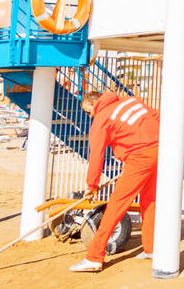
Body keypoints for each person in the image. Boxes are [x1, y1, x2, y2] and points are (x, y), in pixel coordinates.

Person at [69, 90, 160, 273]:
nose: (90, 115)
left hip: (140, 157)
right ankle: (151, 248)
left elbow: (96, 155)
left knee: (116, 205)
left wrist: (92, 185)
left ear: (94, 104)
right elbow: (157, 117)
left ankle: (94, 257)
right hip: (160, 150)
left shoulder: (102, 118)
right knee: (149, 201)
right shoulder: (131, 101)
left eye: (89, 112)